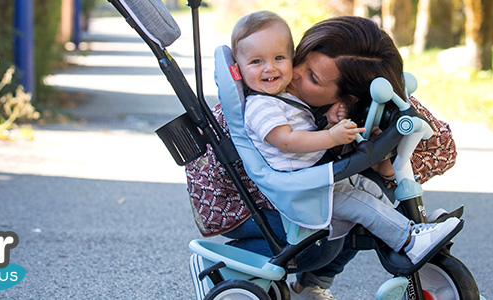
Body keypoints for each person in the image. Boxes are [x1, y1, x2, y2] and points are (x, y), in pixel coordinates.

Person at [186, 15, 460, 299]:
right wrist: (330, 138)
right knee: (321, 242)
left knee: (368, 196)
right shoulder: (261, 101)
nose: (293, 71)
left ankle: (318, 282)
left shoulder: (369, 94)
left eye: (311, 76)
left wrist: (387, 167)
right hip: (241, 200)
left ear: (351, 98)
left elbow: (443, 148)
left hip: (304, 175)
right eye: (300, 57)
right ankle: (229, 264)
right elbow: (278, 154)